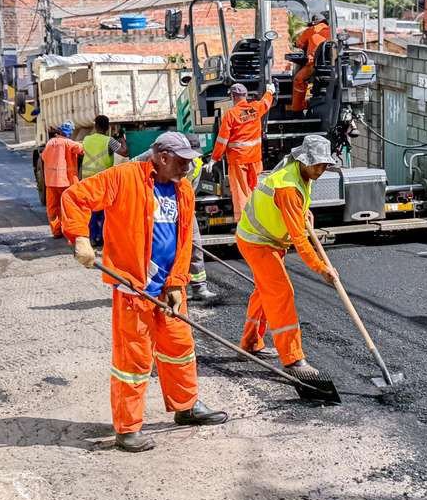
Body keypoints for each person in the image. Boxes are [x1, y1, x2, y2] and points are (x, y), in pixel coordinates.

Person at [61, 132, 228, 452]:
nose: (188, 167)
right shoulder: (124, 178)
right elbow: (75, 197)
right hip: (133, 288)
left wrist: (177, 283)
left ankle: (186, 406)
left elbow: (183, 242)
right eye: (182, 161)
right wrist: (80, 237)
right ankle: (127, 429)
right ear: (162, 157)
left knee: (180, 348)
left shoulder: (183, 189)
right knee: (133, 361)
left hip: (168, 288)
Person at [236, 134, 339, 376]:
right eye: (318, 164)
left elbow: (296, 208)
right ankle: (293, 359)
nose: (321, 170)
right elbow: (299, 239)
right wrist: (321, 267)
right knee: (281, 292)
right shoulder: (288, 188)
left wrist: (304, 212)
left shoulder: (302, 172)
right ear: (304, 160)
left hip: (268, 239)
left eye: (325, 165)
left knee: (265, 290)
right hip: (257, 242)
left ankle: (250, 342)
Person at [132, 137, 217, 303]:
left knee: (194, 244)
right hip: (155, 203)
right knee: (157, 246)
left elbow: (190, 191)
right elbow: (133, 169)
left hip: (182, 207)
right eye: (184, 158)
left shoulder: (197, 165)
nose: (189, 163)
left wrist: (183, 209)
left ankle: (199, 287)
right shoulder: (151, 155)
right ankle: (155, 286)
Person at [208, 82, 275, 222]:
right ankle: (259, 220)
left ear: (233, 96)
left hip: (238, 161)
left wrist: (214, 158)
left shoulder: (231, 115)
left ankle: (244, 224)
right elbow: (266, 102)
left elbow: (222, 140)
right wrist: (270, 91)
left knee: (241, 193)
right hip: (255, 159)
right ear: (245, 95)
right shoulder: (255, 108)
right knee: (256, 190)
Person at [81, 115, 129, 247]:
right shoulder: (109, 141)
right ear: (107, 127)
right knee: (103, 209)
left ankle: (91, 237)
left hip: (87, 179)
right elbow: (124, 152)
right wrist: (122, 140)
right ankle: (100, 237)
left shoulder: (87, 139)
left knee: (91, 209)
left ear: (95, 126)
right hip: (102, 179)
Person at [41, 121, 84, 238]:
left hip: (50, 182)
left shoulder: (50, 143)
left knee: (53, 208)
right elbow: (82, 150)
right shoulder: (69, 143)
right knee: (69, 206)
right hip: (66, 182)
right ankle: (71, 231)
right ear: (70, 133)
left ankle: (56, 231)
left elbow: (43, 157)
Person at [290, 12, 332, 114]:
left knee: (298, 80)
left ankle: (297, 109)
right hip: (332, 66)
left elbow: (299, 44)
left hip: (314, 65)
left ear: (314, 23)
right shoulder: (332, 30)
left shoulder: (311, 30)